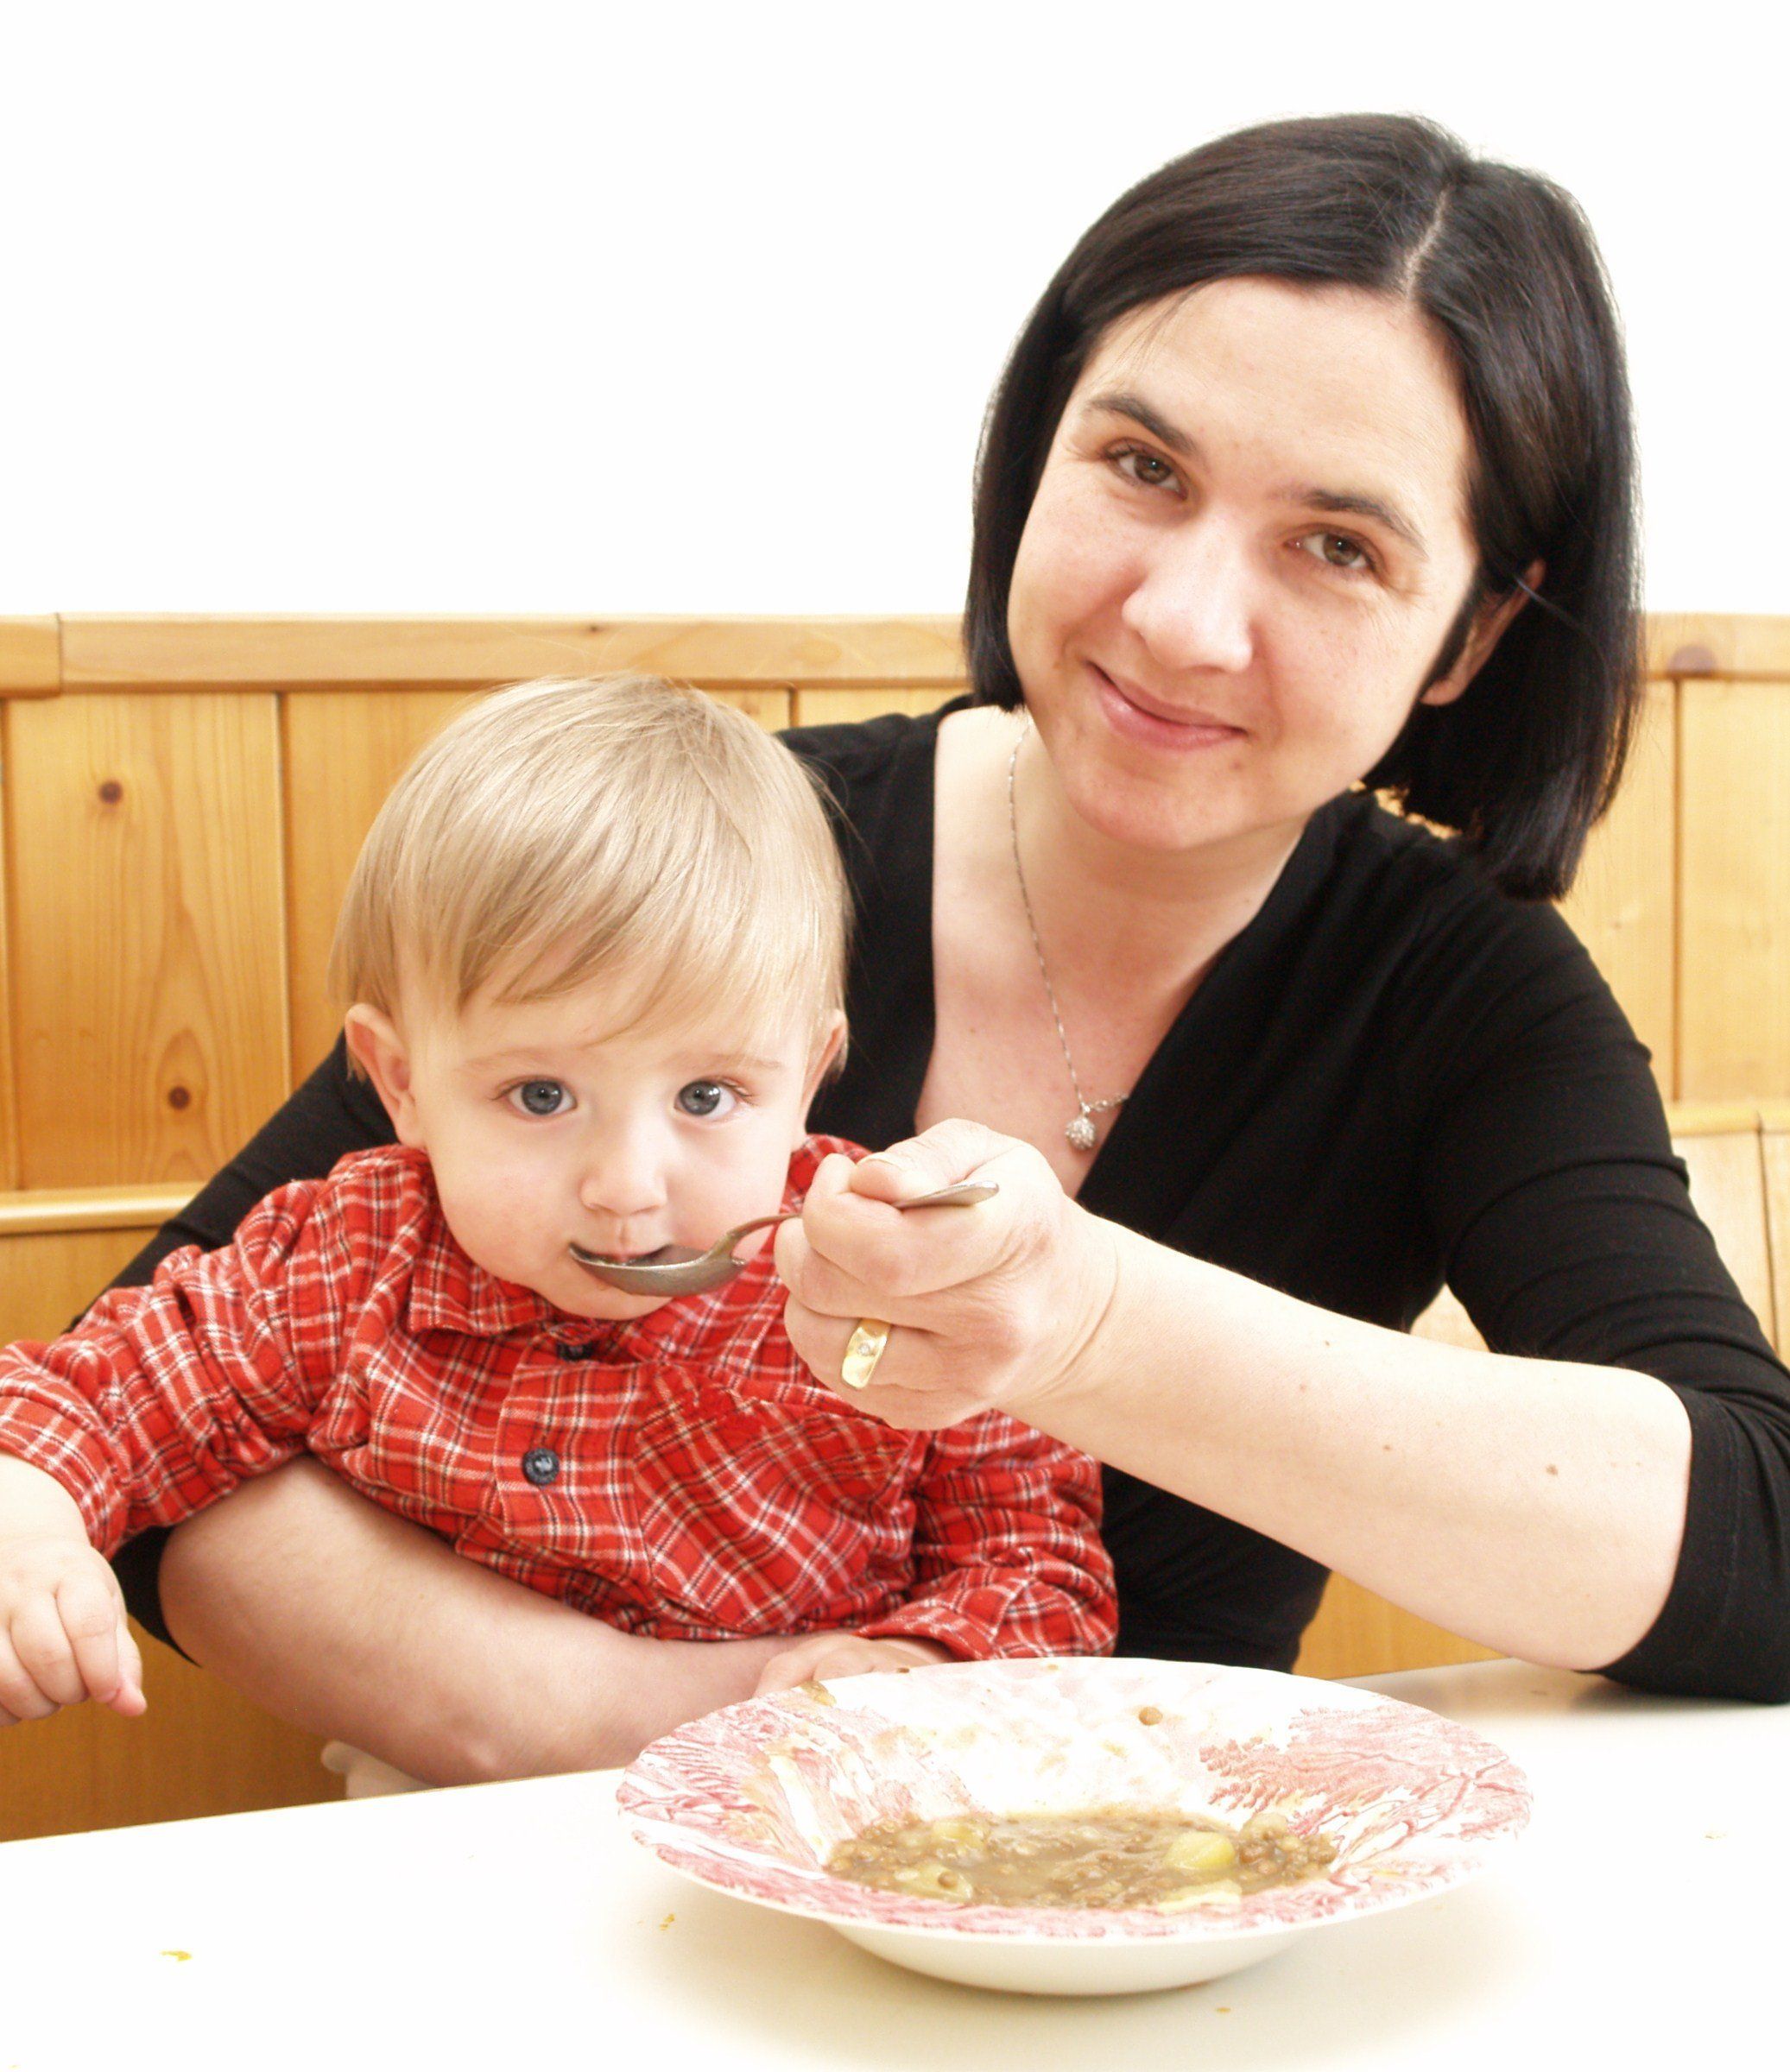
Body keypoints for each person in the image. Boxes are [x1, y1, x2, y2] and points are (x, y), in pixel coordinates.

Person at [93, 111, 1790, 1783]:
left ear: (1469, 633)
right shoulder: (719, 860)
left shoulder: (1459, 995)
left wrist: (1086, 1324)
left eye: (1336, 547)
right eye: (1141, 467)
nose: (1181, 619)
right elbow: (134, 1435)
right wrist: (701, 1723)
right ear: (1038, 453)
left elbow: (1765, 1552)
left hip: (1155, 1889)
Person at [0, 675, 1114, 1733]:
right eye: (541, 1096)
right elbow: (95, 1395)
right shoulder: (347, 1258)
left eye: (707, 1095)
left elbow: (1041, 1568)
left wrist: (923, 1661)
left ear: (809, 1077)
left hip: (824, 1817)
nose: (626, 1185)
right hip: (445, 1815)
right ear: (400, 1084)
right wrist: (32, 1522)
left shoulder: (890, 1272)